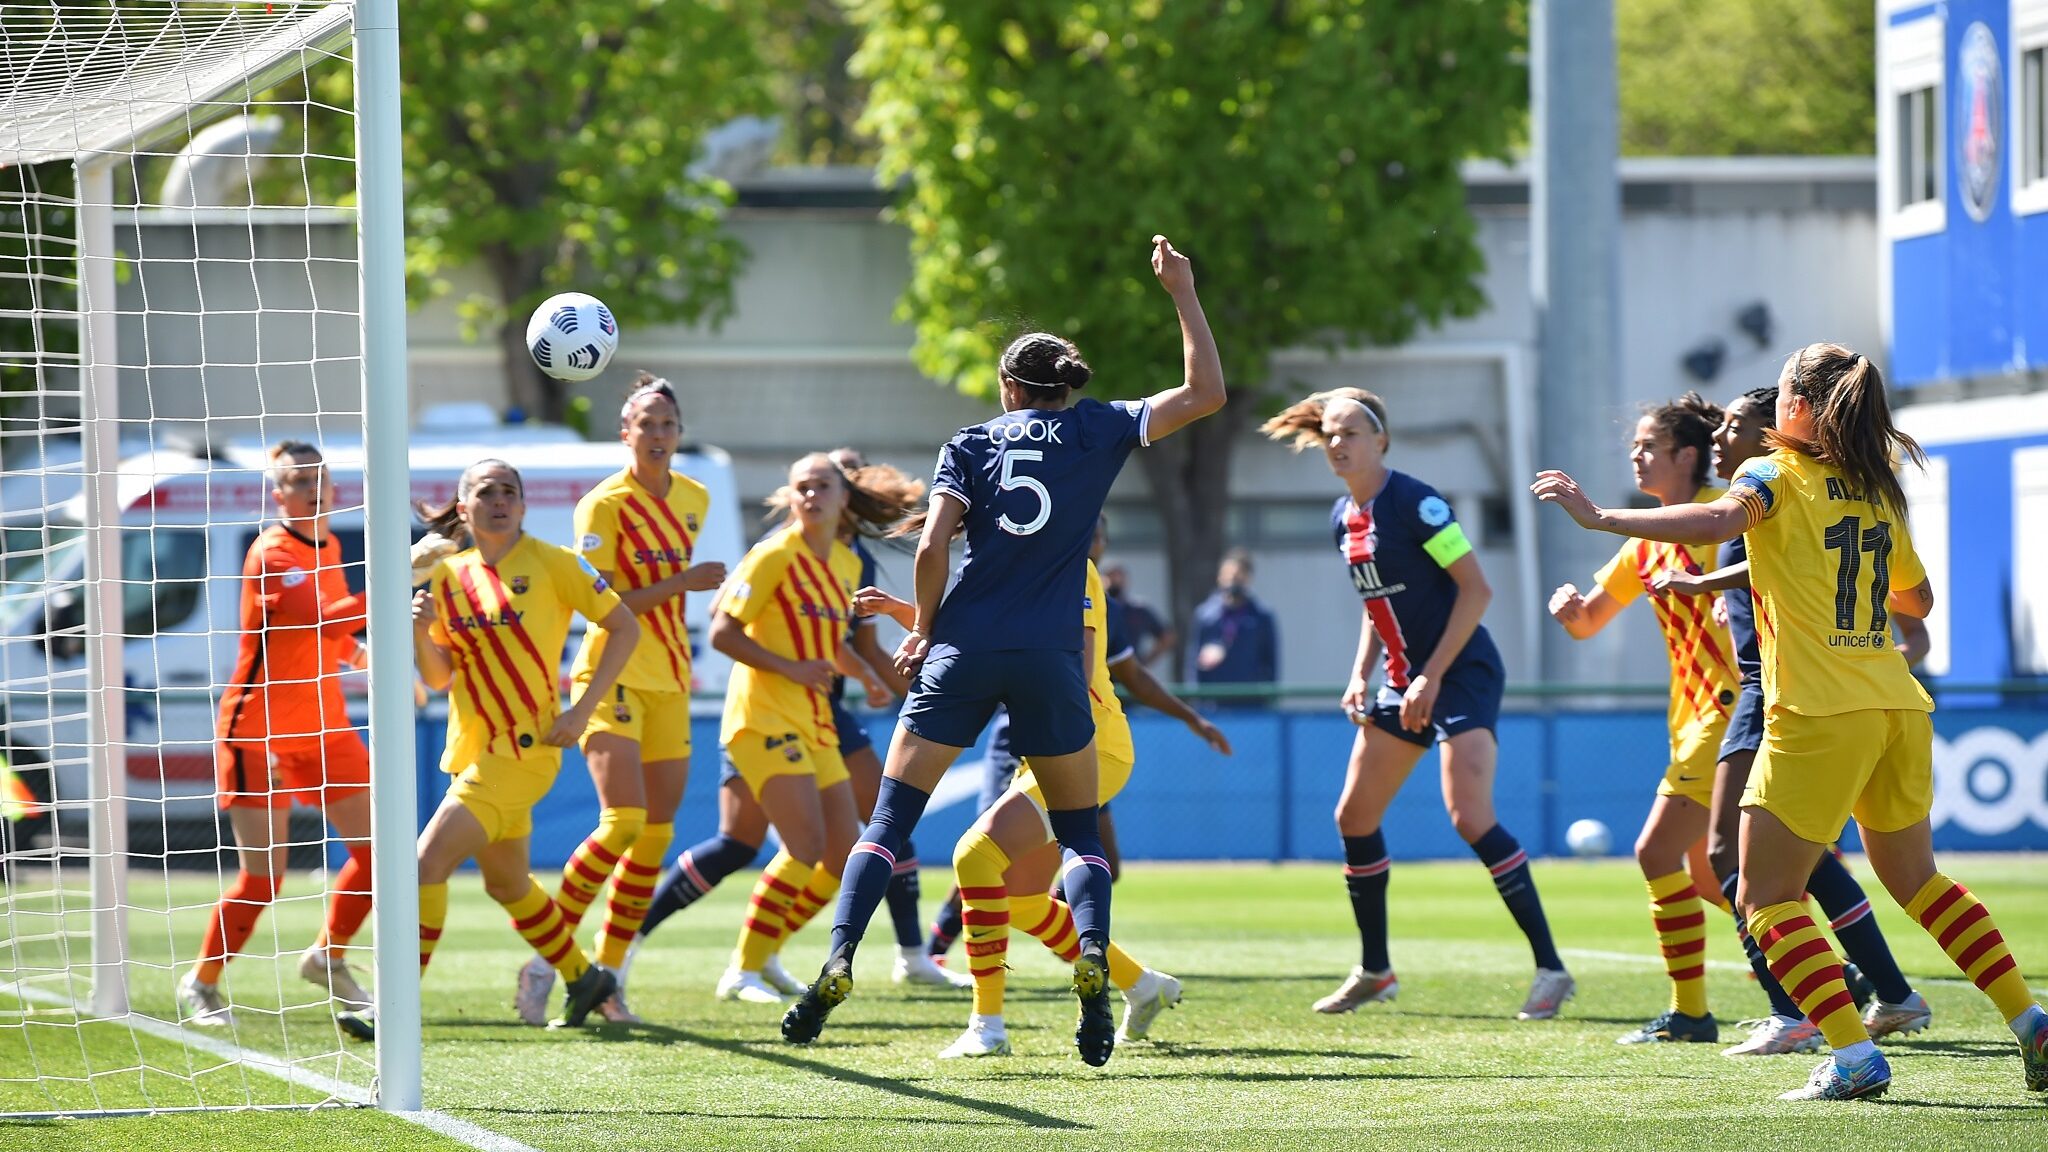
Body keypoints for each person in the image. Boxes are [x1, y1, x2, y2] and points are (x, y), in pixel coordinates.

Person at [1534, 342, 2048, 1101]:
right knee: (1920, 883)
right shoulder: (1874, 487)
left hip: (1816, 711)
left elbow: (1717, 518)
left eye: (1780, 392)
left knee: (1766, 898)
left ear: (1800, 408)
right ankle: (2032, 1021)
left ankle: (1853, 1056)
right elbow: (1919, 602)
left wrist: (1602, 516)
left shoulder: (1769, 472)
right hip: (1896, 705)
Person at [780, 235, 1226, 1069]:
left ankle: (839, 956)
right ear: (1066, 384)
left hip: (965, 648)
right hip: (1052, 658)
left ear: (1008, 387)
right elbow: (1206, 392)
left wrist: (922, 626)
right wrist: (1181, 291)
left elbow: (933, 544)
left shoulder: (974, 442)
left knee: (888, 822)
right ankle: (1093, 957)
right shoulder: (1097, 429)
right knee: (1083, 838)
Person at [1262, 388, 1573, 1021]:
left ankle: (1551, 969)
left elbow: (1477, 591)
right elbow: (1378, 606)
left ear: (1382, 441)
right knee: (1354, 816)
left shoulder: (1415, 502)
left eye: (1351, 432)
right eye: (1329, 433)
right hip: (1405, 680)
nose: (1337, 443)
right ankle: (1375, 970)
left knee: (1469, 816)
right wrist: (1360, 674)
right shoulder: (1341, 518)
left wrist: (1430, 676)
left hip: (1461, 674)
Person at [1649, 385, 1929, 1057]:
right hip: (1801, 696)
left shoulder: (1764, 489)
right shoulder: (1813, 498)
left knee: (1734, 863)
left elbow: (1885, 603)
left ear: (1776, 430)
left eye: (1738, 426)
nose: (1724, 436)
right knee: (1800, 864)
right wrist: (1708, 589)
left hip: (1770, 696)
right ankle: (1882, 990)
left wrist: (1599, 517)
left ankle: (1802, 1008)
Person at [928, 541, 1232, 1058]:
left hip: (1085, 746)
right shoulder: (1021, 570)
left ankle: (988, 1027)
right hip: (1052, 748)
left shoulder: (1069, 569)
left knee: (973, 857)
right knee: (1022, 900)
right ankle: (1141, 984)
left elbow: (1075, 665)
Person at [516, 374, 727, 1026]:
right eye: (647, 424)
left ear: (678, 432)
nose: (658, 434)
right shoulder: (601, 506)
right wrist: (683, 582)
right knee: (623, 822)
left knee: (657, 835)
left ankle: (609, 978)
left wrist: (688, 589)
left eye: (668, 424)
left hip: (671, 679)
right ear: (625, 434)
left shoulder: (695, 495)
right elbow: (603, 608)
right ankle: (548, 961)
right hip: (610, 677)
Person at [407, 459, 640, 1033]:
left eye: (510, 491)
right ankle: (585, 979)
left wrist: (582, 711)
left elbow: (626, 626)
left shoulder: (556, 563)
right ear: (464, 509)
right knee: (507, 883)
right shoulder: (449, 575)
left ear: (524, 505)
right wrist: (418, 628)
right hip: (477, 751)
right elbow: (439, 678)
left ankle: (396, 1005)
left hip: (527, 749)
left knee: (424, 863)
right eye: (487, 492)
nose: (500, 500)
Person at [1544, 394, 1744, 1045]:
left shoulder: (1725, 515)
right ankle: (1843, 973)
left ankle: (1692, 1014)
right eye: (1634, 444)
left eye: (1648, 445)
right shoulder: (1646, 539)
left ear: (1688, 455)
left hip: (1730, 713)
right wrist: (1569, 607)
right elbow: (1588, 624)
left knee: (1657, 851)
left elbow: (1775, 578)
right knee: (1721, 878)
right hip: (1693, 722)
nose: (1636, 454)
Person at [708, 453, 921, 1003]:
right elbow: (721, 633)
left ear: (843, 498)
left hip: (813, 716)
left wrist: (865, 675)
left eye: (822, 485)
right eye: (801, 486)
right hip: (762, 715)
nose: (810, 495)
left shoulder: (847, 568)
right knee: (801, 845)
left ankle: (761, 955)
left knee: (840, 851)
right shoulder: (773, 553)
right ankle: (742, 973)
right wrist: (793, 669)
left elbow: (828, 647)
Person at [179, 441, 375, 1037]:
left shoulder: (332, 545)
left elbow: (330, 629)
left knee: (383, 855)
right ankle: (202, 981)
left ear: (334, 487)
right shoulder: (270, 552)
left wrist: (358, 651)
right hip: (257, 731)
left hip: (324, 725)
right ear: (278, 493)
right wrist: (398, 579)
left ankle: (326, 956)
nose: (313, 487)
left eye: (320, 476)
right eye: (298, 479)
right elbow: (313, 617)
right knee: (265, 877)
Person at [1187, 550, 1278, 705]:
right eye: (1228, 576)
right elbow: (1192, 663)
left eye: (1238, 577)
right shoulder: (1205, 616)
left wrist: (1268, 698)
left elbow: (1271, 663)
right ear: (1219, 577)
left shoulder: (1261, 617)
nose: (1232, 582)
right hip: (1213, 706)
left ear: (1248, 579)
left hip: (1251, 706)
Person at [1102, 563, 1175, 672]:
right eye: (1111, 575)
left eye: (1119, 576)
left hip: (1130, 670)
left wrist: (1145, 662)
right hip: (1104, 669)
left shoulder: (1137, 610)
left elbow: (1167, 636)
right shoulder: (1098, 606)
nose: (1115, 580)